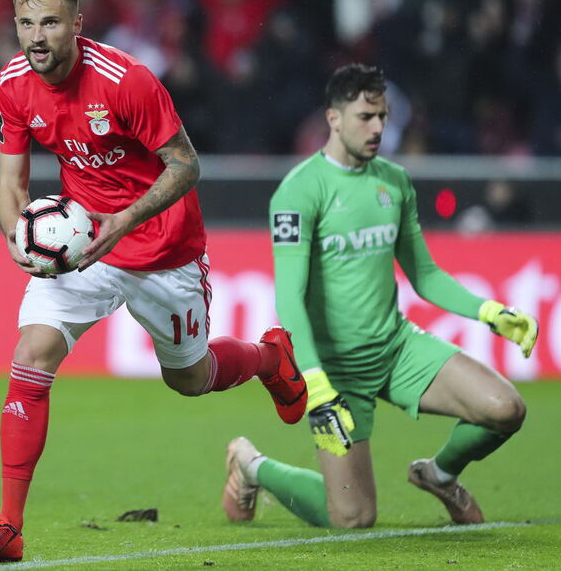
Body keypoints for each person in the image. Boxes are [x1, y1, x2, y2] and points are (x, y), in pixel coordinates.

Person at [0, 0, 307, 563]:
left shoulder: (127, 81)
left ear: (77, 24)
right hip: (80, 244)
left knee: (189, 378)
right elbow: (8, 185)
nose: (37, 36)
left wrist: (124, 220)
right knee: (32, 354)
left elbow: (186, 165)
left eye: (50, 22)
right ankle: (8, 527)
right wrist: (17, 238)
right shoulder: (12, 85)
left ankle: (270, 356)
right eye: (26, 23)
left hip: (163, 248)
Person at [221, 63, 538, 529]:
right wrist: (316, 382)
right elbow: (289, 297)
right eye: (365, 117)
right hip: (336, 371)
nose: (377, 129)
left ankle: (439, 475)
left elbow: (424, 275)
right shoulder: (299, 192)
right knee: (352, 517)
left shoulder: (394, 180)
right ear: (333, 118)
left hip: (397, 349)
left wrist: (489, 311)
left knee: (505, 409)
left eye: (383, 117)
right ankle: (252, 465)